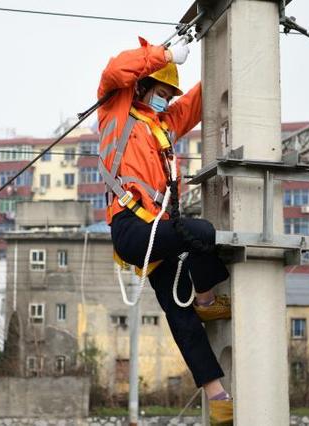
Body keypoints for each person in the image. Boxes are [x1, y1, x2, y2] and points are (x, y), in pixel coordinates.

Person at [97, 37, 233, 424]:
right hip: (132, 228)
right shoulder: (116, 113)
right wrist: (167, 55)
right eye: (160, 91)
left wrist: (229, 55)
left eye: (168, 94)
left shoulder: (163, 126)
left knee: (181, 314)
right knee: (202, 232)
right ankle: (207, 302)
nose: (166, 100)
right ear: (140, 87)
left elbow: (195, 103)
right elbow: (115, 70)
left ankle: (218, 397)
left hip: (157, 229)